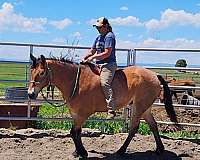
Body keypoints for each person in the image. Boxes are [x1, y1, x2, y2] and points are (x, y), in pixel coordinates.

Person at [82, 17, 117, 119]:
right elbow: (92, 50)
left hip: (108, 65)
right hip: (98, 64)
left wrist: (93, 57)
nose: (98, 29)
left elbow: (107, 53)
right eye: (97, 28)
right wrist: (86, 56)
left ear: (105, 27)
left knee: (104, 83)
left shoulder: (109, 36)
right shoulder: (98, 38)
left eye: (99, 27)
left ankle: (111, 109)